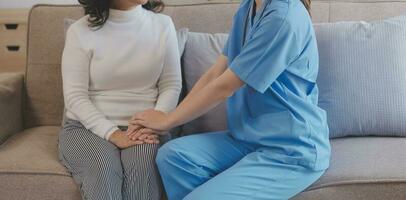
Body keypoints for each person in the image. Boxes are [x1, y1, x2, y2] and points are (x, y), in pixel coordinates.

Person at [128, 0, 331, 199]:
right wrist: (169, 120)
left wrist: (168, 121)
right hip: (249, 138)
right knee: (172, 157)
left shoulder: (282, 17)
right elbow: (216, 73)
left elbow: (225, 87)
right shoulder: (248, 7)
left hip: (291, 150)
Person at [57, 0, 182, 199]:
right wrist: (113, 134)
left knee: (143, 163)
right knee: (102, 163)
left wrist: (153, 124)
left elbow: (171, 84)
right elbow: (75, 96)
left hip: (145, 129)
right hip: (85, 128)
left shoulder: (163, 25)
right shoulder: (79, 31)